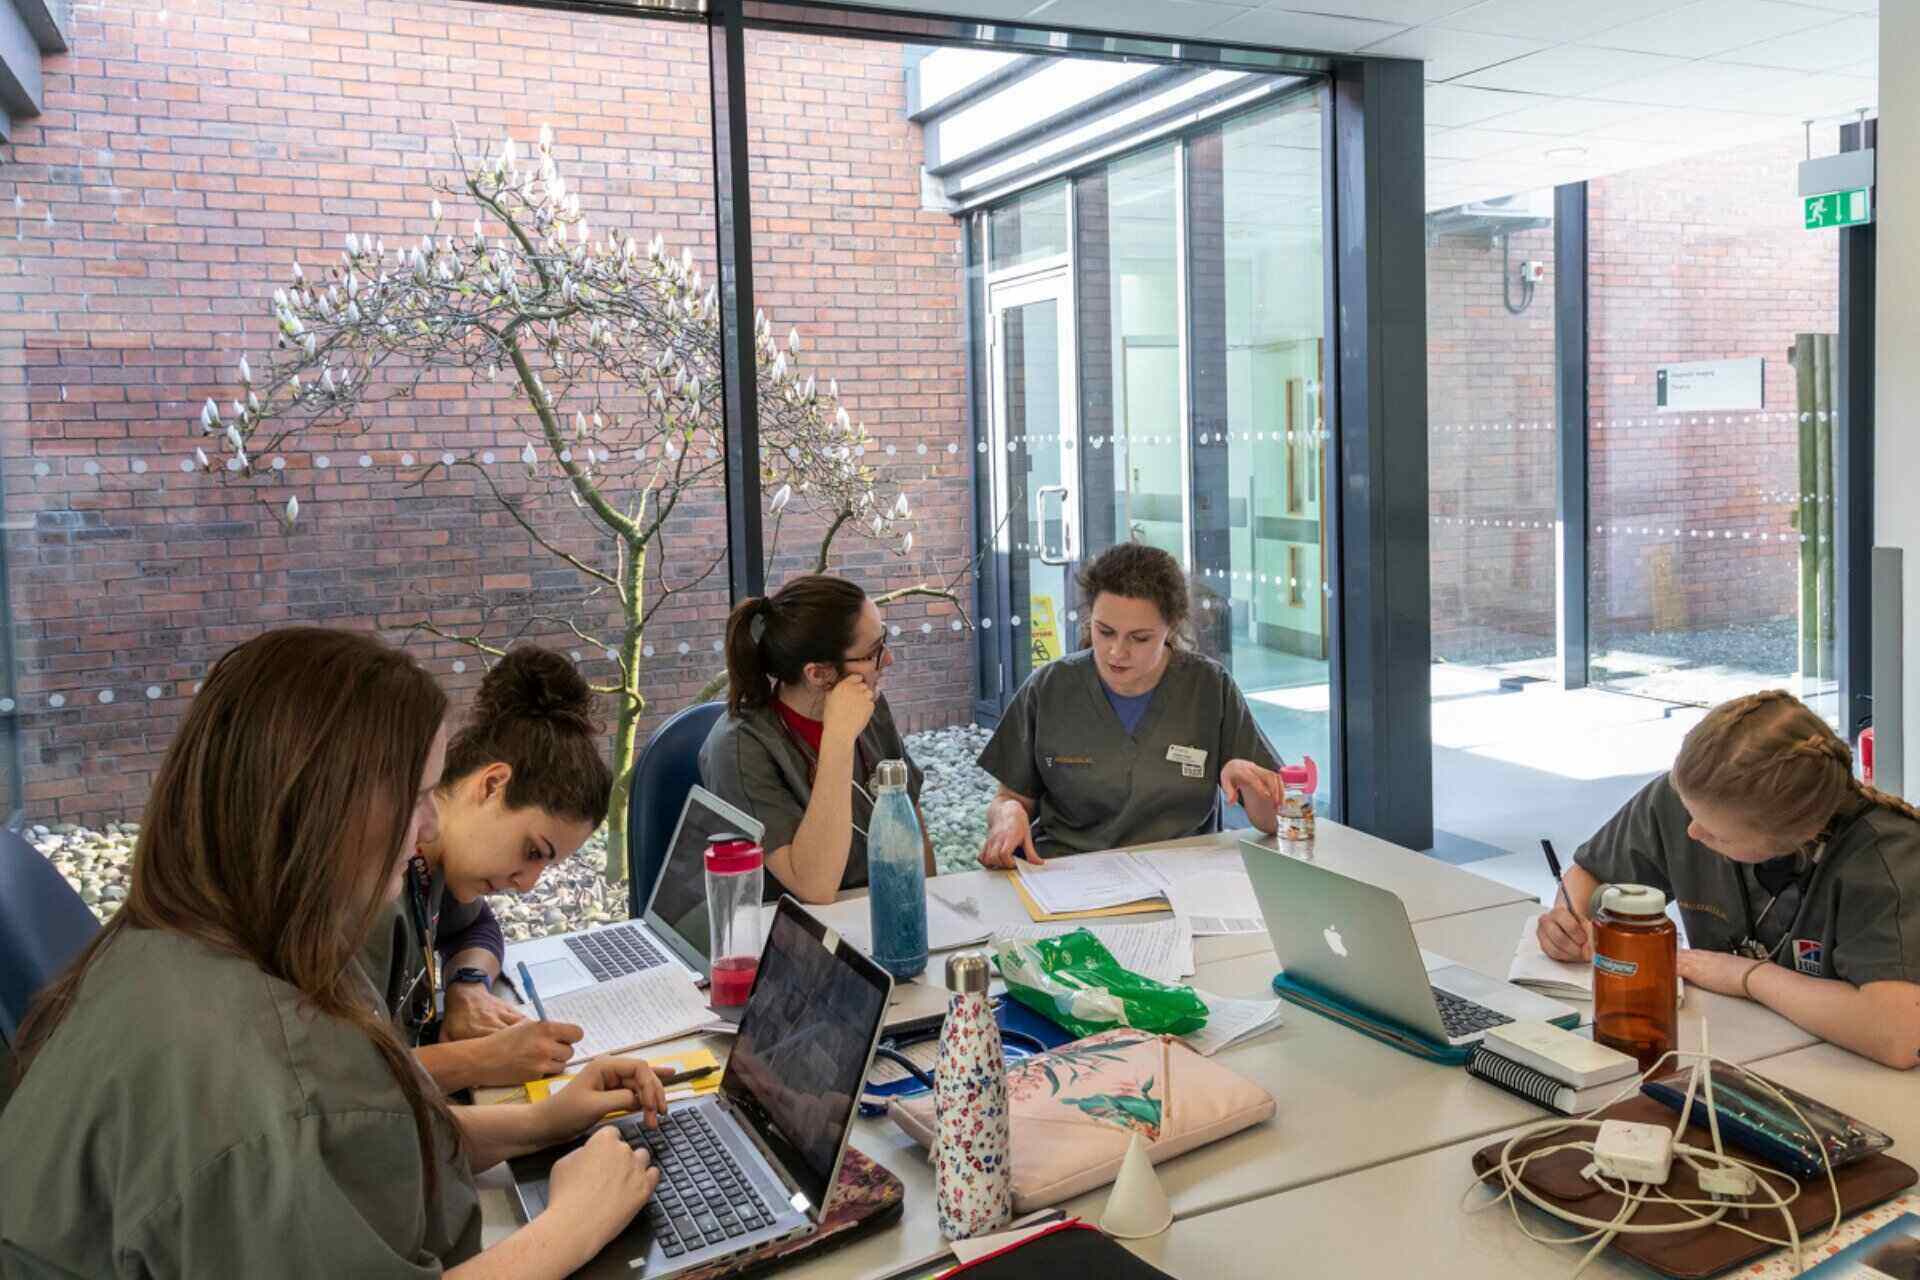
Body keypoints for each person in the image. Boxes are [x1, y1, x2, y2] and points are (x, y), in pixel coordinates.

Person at [0, 627, 671, 1276]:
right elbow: (307, 1138)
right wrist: (573, 1224)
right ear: (326, 809)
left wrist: (540, 1123)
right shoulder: (267, 1070)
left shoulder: (186, 945)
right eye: (416, 796)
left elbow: (358, 1153)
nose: (432, 822)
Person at [1537, 689, 1920, 1071]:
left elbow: (1898, 1034)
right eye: (1688, 811)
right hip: (1729, 1050)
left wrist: (1745, 976)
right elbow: (1591, 874)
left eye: (1719, 836)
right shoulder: (1692, 796)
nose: (1692, 833)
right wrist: (1567, 921)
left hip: (1848, 1076)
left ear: (1792, 837)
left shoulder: (1885, 860)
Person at [365, 645, 613, 1093]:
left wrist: (468, 985)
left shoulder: (438, 871)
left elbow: (477, 926)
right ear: (493, 785)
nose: (527, 884)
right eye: (533, 852)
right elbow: (349, 1084)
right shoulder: (370, 888)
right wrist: (481, 1058)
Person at [976, 541, 1284, 868]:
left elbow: (1271, 823)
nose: (1116, 652)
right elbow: (1011, 799)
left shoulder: (1209, 688)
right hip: (1066, 877)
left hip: (1182, 880)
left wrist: (1250, 784)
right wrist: (1007, 814)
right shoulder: (1049, 689)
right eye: (1105, 631)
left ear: (1172, 627)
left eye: (1139, 638)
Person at [700, 574, 932, 904]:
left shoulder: (871, 705)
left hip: (883, 912)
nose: (889, 659)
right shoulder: (738, 747)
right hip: (797, 935)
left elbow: (912, 825)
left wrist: (925, 910)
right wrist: (837, 739)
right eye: (874, 652)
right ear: (818, 674)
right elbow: (815, 886)